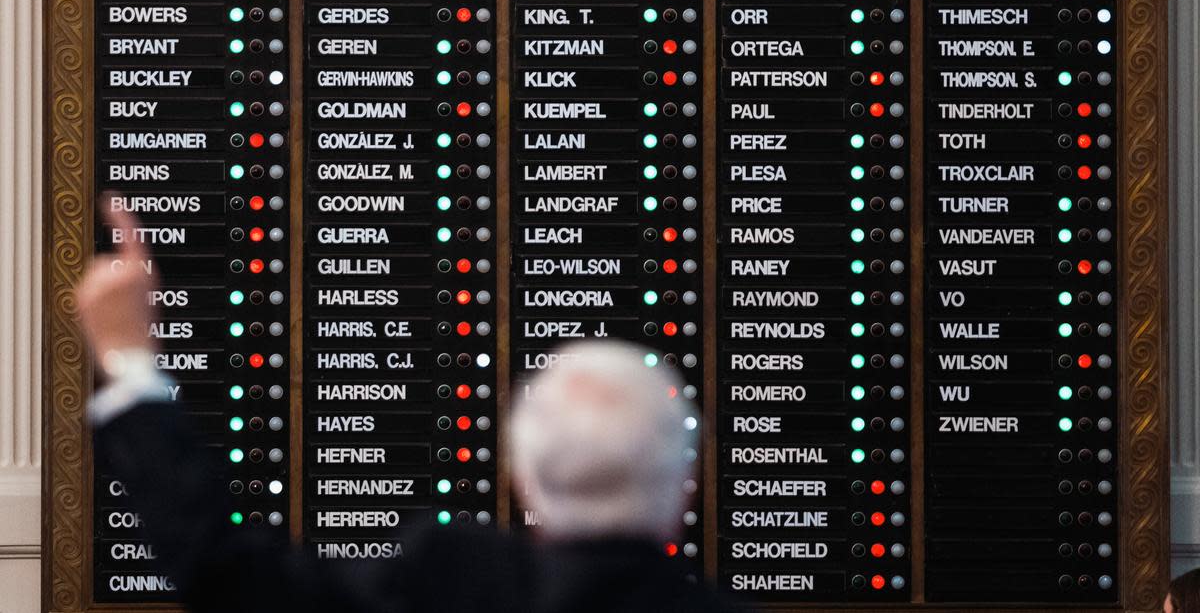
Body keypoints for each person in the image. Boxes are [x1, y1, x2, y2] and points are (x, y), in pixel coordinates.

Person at [78, 203, 733, 613]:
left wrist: (130, 355)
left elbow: (225, 572)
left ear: (519, 480)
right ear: (687, 487)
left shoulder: (445, 583)